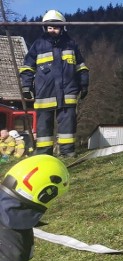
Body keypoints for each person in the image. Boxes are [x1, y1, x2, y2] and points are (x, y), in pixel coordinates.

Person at [19, 10, 89, 157]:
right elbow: (27, 67)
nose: (52, 30)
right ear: (45, 28)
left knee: (68, 124)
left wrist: (84, 84)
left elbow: (81, 66)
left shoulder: (71, 45)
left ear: (63, 28)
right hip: (45, 93)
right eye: (49, 27)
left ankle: (67, 152)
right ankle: (44, 153)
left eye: (56, 27)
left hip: (68, 93)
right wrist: (26, 86)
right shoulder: (38, 45)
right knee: (44, 126)